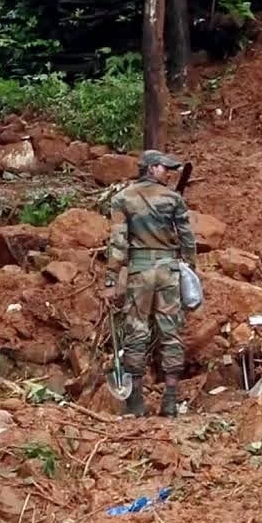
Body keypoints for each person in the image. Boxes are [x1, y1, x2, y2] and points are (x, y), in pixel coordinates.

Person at [103, 150, 197, 417]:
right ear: (151, 168)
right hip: (168, 271)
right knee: (171, 332)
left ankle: (135, 403)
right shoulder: (173, 198)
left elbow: (118, 242)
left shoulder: (122, 199)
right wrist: (191, 269)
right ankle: (169, 401)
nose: (167, 173)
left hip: (139, 272)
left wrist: (111, 279)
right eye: (164, 168)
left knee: (136, 331)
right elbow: (187, 239)